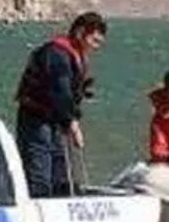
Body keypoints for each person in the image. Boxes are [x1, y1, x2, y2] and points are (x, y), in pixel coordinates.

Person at [14, 12, 107, 197]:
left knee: (61, 171)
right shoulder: (57, 54)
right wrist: (73, 124)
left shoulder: (72, 54)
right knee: (39, 172)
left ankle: (61, 201)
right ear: (81, 32)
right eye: (94, 41)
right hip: (37, 119)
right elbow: (60, 90)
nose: (95, 47)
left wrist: (70, 118)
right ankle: (39, 208)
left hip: (55, 120)